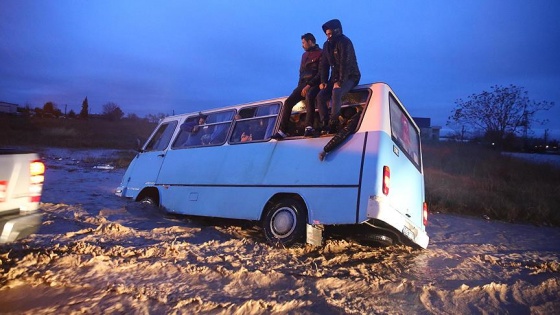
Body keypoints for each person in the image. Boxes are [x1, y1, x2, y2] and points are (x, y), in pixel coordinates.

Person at [272, 33, 322, 140]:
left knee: (309, 97)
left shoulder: (321, 53)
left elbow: (321, 73)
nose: (302, 45)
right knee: (288, 102)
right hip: (303, 84)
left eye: (303, 43)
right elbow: (301, 73)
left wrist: (309, 85)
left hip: (315, 83)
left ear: (310, 42)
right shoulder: (304, 56)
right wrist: (299, 87)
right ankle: (283, 131)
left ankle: (309, 127)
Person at [316, 19, 361, 135]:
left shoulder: (345, 42)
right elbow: (324, 65)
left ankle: (334, 123)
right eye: (326, 34)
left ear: (337, 31)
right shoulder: (326, 45)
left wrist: (340, 81)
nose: (328, 36)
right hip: (334, 77)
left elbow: (345, 63)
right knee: (321, 96)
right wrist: (323, 81)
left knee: (336, 92)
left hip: (351, 76)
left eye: (330, 33)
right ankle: (324, 123)